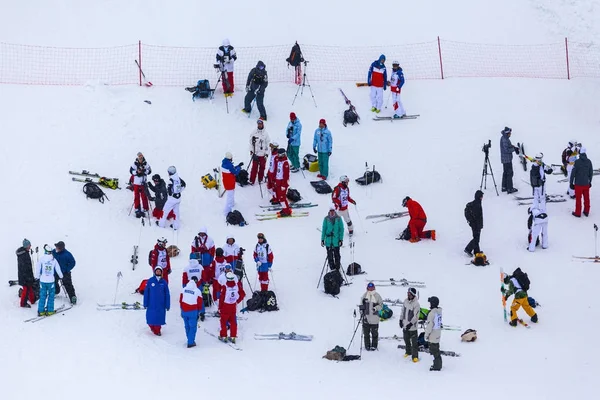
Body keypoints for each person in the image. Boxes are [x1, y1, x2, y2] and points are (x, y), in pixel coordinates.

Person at [218, 272, 246, 343]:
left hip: (225, 306)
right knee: (233, 321)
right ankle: (233, 336)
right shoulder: (237, 285)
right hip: (233, 305)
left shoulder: (225, 287)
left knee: (223, 321)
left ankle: (224, 336)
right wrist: (237, 301)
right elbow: (242, 294)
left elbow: (222, 298)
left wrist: (220, 307)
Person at [143, 266, 171, 336]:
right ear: (154, 272)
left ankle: (157, 330)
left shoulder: (164, 282)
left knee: (159, 318)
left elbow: (167, 294)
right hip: (151, 303)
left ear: (161, 272)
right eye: (157, 271)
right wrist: (145, 303)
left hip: (161, 304)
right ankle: (152, 327)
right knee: (150, 317)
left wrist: (167, 304)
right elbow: (146, 293)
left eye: (159, 271)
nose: (158, 272)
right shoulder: (150, 281)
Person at [37, 245, 63, 317]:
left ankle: (41, 311)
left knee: (42, 295)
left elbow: (38, 269)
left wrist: (37, 276)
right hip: (51, 281)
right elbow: (58, 269)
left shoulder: (41, 259)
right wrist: (61, 276)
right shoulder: (54, 260)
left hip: (43, 281)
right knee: (51, 296)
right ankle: (50, 310)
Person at [180, 276, 203, 348]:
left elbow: (180, 300)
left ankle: (189, 339)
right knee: (192, 327)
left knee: (187, 326)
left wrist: (182, 309)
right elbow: (200, 303)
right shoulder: (197, 291)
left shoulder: (184, 289)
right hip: (193, 311)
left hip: (184, 311)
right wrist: (199, 312)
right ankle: (190, 342)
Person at [570, 147, 593, 217]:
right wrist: (589, 182)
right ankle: (586, 211)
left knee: (578, 199)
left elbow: (573, 173)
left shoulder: (577, 162)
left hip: (578, 184)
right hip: (586, 183)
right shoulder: (589, 162)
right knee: (586, 198)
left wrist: (571, 183)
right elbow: (591, 173)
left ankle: (578, 213)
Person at [400, 287, 420, 362]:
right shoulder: (405, 301)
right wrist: (400, 319)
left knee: (414, 343)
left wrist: (411, 324)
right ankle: (408, 352)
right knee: (406, 339)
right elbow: (402, 311)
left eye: (410, 294)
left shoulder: (416, 304)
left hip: (412, 327)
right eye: (407, 293)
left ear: (413, 295)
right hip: (405, 325)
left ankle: (415, 356)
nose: (408, 295)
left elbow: (416, 316)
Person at [321, 205, 344, 270]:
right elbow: (324, 229)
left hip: (336, 241)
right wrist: (322, 239)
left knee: (337, 255)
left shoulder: (339, 219)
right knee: (330, 255)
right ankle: (332, 268)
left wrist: (341, 239)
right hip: (328, 241)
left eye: (333, 210)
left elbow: (341, 229)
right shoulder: (326, 219)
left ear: (335, 211)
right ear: (329, 211)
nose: (332, 212)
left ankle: (337, 268)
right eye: (331, 211)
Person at [361, 282, 383, 351]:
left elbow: (381, 306)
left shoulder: (377, 296)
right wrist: (362, 310)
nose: (370, 289)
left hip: (374, 318)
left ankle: (374, 345)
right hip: (366, 318)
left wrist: (375, 308)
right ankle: (367, 346)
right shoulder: (364, 296)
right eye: (369, 287)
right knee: (366, 334)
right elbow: (361, 305)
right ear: (367, 288)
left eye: (372, 287)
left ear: (374, 288)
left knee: (374, 334)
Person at [129, 152, 152, 218]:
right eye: (139, 156)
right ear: (138, 157)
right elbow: (131, 171)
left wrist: (144, 171)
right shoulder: (134, 163)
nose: (140, 157)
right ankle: (137, 208)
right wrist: (137, 172)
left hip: (143, 183)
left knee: (144, 196)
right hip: (136, 183)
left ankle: (145, 208)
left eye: (141, 156)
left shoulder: (146, 163)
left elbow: (150, 171)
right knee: (136, 196)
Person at [249, 119, 271, 185]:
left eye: (260, 123)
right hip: (256, 154)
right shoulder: (254, 132)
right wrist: (252, 152)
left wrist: (267, 154)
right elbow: (250, 143)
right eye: (258, 124)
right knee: (254, 168)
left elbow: (268, 144)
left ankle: (260, 179)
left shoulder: (266, 134)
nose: (259, 125)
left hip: (263, 155)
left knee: (262, 168)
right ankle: (251, 180)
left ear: (263, 124)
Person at [425, 296, 443, 371]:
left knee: (435, 351)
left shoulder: (432, 313)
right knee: (436, 350)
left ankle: (437, 366)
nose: (429, 304)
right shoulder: (438, 312)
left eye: (430, 303)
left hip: (432, 335)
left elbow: (429, 326)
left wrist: (426, 335)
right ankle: (438, 364)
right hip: (437, 334)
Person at [500, 127, 519, 194]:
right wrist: (514, 149)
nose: (511, 134)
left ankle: (504, 187)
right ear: (507, 133)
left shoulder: (505, 138)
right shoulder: (505, 139)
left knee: (505, 173)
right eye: (510, 133)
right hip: (507, 159)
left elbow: (508, 146)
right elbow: (506, 150)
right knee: (509, 173)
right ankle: (510, 188)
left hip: (505, 159)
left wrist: (513, 146)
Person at [464, 190, 484, 256]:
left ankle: (476, 251)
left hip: (475, 224)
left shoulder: (476, 203)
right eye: (481, 196)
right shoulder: (477, 205)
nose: (482, 197)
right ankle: (468, 249)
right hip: (476, 225)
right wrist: (477, 224)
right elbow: (477, 217)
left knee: (476, 237)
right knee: (476, 239)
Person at [17, 239, 35, 308]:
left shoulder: (25, 253)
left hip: (26, 275)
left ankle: (32, 300)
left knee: (29, 287)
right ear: (26, 246)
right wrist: (28, 277)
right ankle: (23, 303)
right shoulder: (24, 254)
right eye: (29, 245)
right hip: (25, 276)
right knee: (26, 289)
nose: (30, 246)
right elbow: (25, 267)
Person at [274, 148, 292, 216]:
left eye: (279, 154)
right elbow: (278, 172)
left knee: (282, 198)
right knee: (279, 197)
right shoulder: (279, 161)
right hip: (278, 181)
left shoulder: (285, 163)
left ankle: (287, 211)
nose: (278, 155)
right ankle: (285, 209)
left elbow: (286, 175)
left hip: (282, 183)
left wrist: (284, 185)